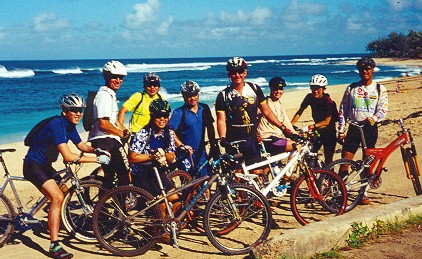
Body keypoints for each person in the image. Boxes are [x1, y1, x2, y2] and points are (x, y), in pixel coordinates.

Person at [23, 93, 110, 259]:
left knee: (61, 190)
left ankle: (57, 223)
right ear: (65, 111)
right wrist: (97, 159)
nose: (78, 113)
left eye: (80, 110)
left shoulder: (69, 126)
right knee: (57, 198)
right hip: (32, 166)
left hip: (45, 166)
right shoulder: (57, 126)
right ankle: (54, 246)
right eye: (74, 110)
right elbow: (69, 156)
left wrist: (96, 150)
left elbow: (81, 145)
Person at [215, 57, 291, 171]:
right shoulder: (223, 95)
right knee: (238, 174)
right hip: (233, 141)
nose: (237, 75)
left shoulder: (254, 89)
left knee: (257, 172)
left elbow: (267, 111)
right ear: (229, 75)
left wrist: (282, 127)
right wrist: (222, 138)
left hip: (252, 139)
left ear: (245, 72)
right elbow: (221, 120)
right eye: (233, 72)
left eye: (240, 71)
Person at [338, 57, 388, 205]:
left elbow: (383, 108)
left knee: (368, 164)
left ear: (373, 70)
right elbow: (343, 110)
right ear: (359, 71)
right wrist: (341, 130)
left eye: (368, 69)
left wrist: (375, 118)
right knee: (345, 162)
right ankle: (342, 192)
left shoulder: (380, 88)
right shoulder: (351, 88)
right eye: (362, 69)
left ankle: (363, 193)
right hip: (354, 128)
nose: (365, 71)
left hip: (370, 129)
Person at [129, 99, 179, 218]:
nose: (162, 119)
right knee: (161, 204)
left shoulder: (169, 133)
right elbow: (132, 158)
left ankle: (169, 226)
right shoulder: (143, 134)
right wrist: (152, 156)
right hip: (142, 175)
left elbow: (171, 158)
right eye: (158, 116)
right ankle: (159, 232)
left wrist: (163, 154)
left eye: (165, 115)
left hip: (158, 173)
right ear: (152, 116)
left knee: (176, 200)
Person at [88, 60, 131, 190]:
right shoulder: (104, 96)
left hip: (106, 139)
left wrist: (126, 131)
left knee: (110, 177)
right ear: (106, 77)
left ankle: (103, 207)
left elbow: (115, 121)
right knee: (125, 173)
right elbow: (104, 124)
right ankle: (122, 208)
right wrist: (121, 134)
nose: (118, 80)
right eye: (114, 77)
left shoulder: (110, 94)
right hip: (106, 140)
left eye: (121, 77)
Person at [169, 80, 219, 177]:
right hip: (185, 155)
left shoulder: (204, 108)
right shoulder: (179, 112)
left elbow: (210, 128)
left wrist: (214, 146)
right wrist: (181, 146)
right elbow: (170, 131)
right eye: (189, 96)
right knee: (189, 185)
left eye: (195, 94)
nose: (192, 98)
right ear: (183, 96)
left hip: (202, 153)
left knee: (205, 182)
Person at [291, 74, 338, 164]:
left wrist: (310, 126)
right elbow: (299, 112)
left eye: (318, 88)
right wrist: (290, 124)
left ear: (323, 89)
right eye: (313, 88)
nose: (315, 91)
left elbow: (326, 121)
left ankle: (329, 176)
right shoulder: (309, 97)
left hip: (329, 132)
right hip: (318, 131)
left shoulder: (329, 102)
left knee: (328, 159)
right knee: (311, 155)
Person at [257, 76, 297, 154]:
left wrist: (295, 134)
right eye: (275, 89)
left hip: (277, 138)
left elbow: (286, 122)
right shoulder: (264, 103)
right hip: (268, 139)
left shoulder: (279, 104)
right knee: (296, 146)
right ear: (271, 89)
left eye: (281, 89)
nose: (278, 91)